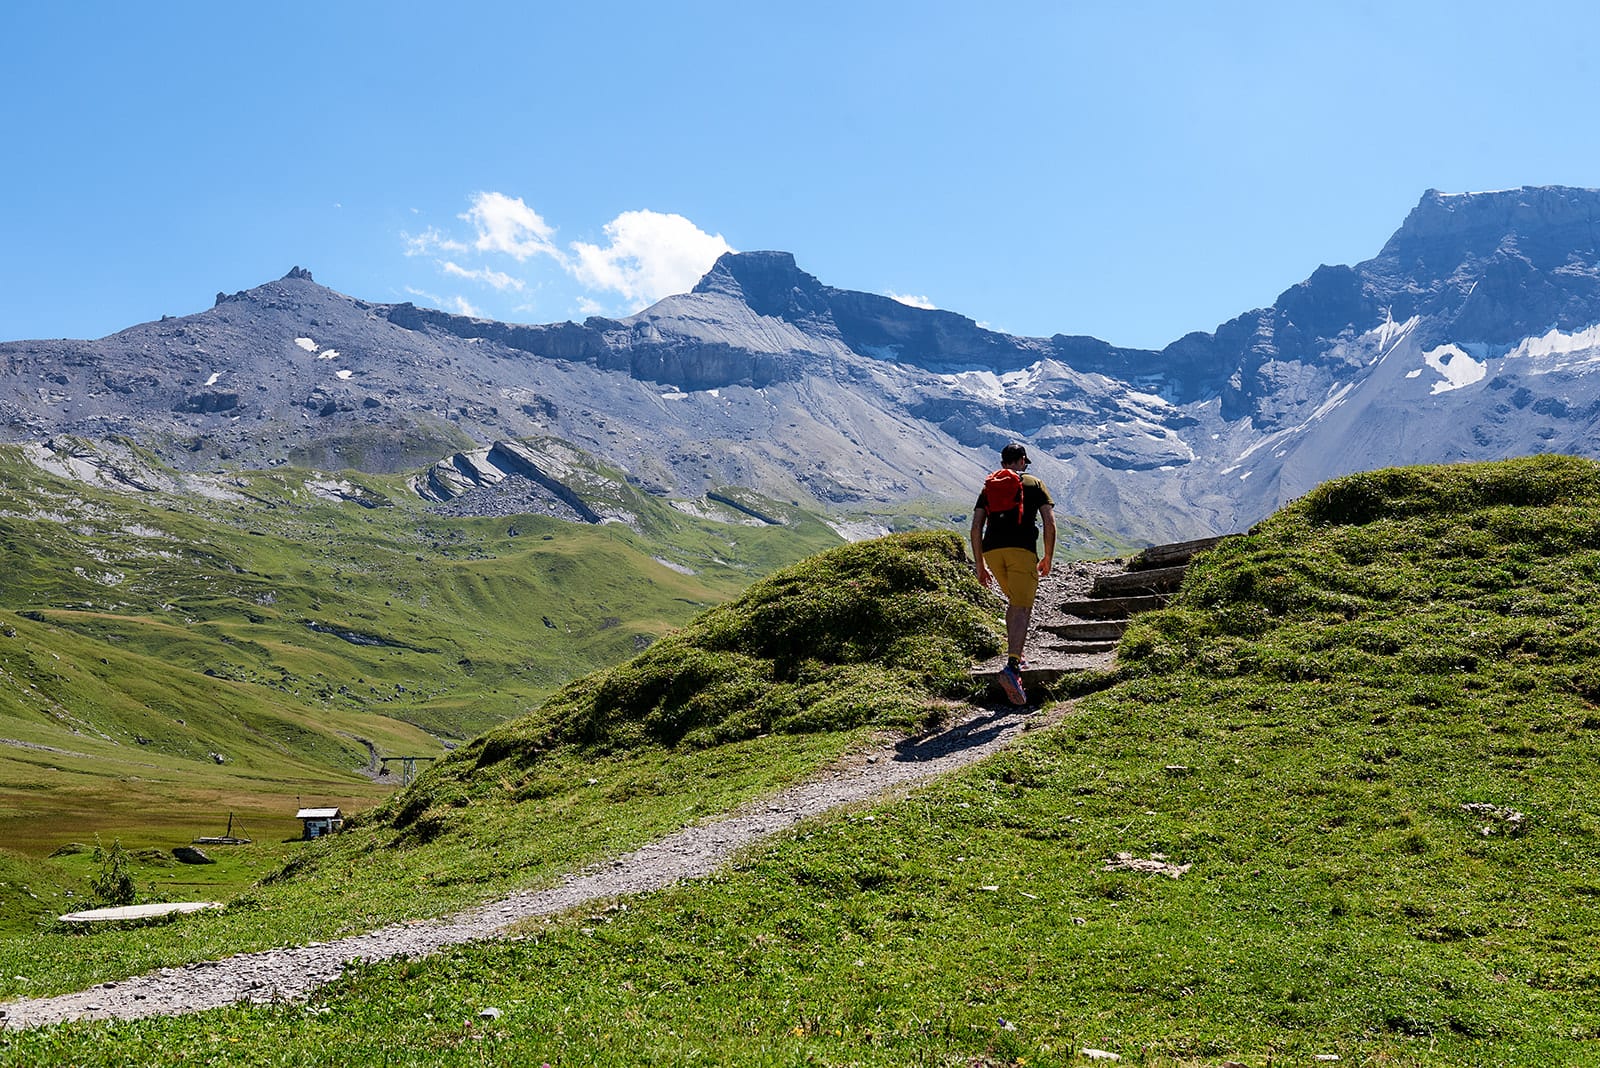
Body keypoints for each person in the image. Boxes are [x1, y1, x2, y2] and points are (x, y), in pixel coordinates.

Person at [969, 442, 1056, 705]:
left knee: (1014, 603)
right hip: (1021, 550)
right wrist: (1048, 556)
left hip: (993, 551)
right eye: (1024, 462)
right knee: (1022, 607)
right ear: (1020, 461)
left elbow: (975, 528)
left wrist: (980, 565)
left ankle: (1016, 655)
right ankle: (1012, 667)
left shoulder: (989, 487)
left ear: (1002, 462)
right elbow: (1049, 523)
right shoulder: (1034, 484)